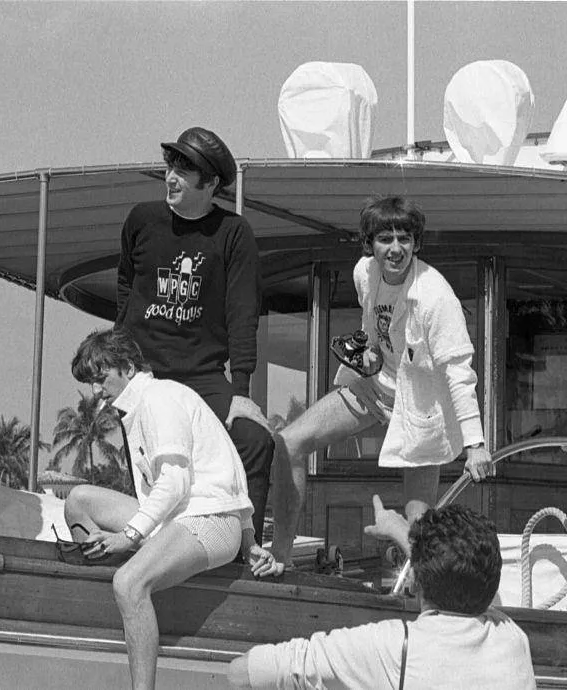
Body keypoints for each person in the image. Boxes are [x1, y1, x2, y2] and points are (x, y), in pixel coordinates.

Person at [270, 195, 493, 565]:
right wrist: (371, 348)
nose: (395, 249)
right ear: (369, 245)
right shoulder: (364, 273)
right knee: (289, 442)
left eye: (404, 239)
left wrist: (475, 444)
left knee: (418, 525)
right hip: (373, 388)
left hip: (421, 408)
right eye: (385, 239)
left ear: (416, 244)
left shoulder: (437, 297)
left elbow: (459, 372)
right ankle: (280, 557)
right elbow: (374, 321)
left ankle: (423, 593)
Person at [63, 328, 283, 690]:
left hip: (209, 522)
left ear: (128, 368)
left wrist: (129, 536)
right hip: (175, 518)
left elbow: (177, 483)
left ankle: (135, 600)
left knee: (128, 582)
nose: (95, 390)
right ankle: (118, 603)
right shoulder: (139, 407)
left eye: (100, 378)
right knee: (78, 501)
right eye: (91, 382)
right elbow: (223, 465)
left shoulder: (159, 399)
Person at [115, 126, 275, 545]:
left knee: (255, 440)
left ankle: (246, 550)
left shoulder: (233, 233)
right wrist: (120, 353)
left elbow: (243, 314)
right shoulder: (142, 220)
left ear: (211, 183)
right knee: (158, 462)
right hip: (143, 373)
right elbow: (125, 285)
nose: (171, 177)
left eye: (184, 171)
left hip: (203, 376)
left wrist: (240, 389)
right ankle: (149, 545)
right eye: (171, 166)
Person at [228, 497, 537, 689]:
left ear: (415, 584)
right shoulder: (512, 640)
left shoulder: (392, 647)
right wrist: (398, 530)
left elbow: (242, 674)